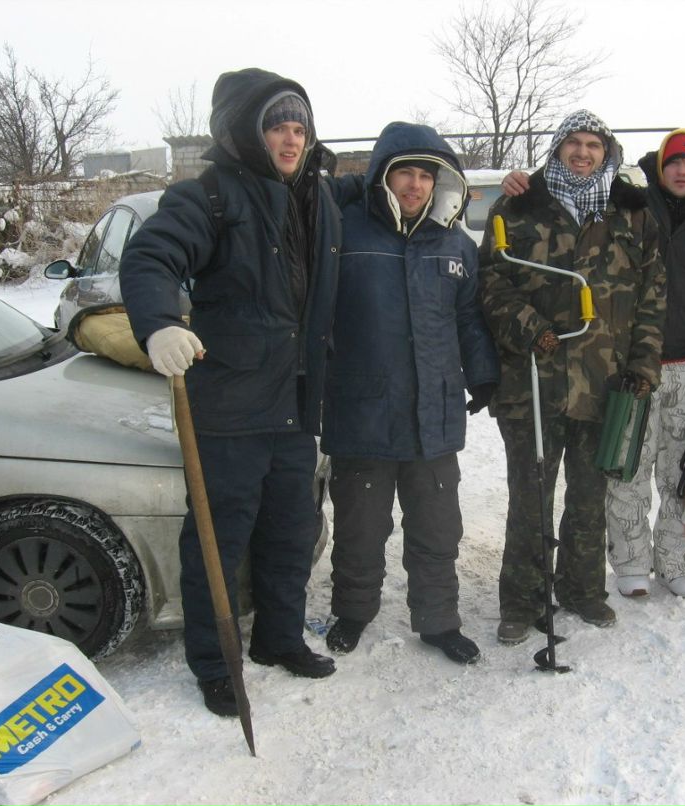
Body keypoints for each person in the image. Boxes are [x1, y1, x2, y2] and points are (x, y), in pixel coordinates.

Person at [120, 68, 347, 716]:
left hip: (294, 406)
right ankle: (215, 663)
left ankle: (278, 638)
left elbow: (389, 185)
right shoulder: (210, 196)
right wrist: (159, 323)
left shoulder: (319, 197)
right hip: (230, 408)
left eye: (300, 126)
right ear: (247, 132)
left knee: (291, 533)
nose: (291, 138)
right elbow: (151, 257)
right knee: (217, 545)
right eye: (277, 126)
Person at [479, 110, 667, 645]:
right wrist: (530, 327)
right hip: (533, 381)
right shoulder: (517, 206)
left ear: (607, 153)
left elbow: (653, 297)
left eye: (594, 145)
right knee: (530, 497)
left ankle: (582, 590)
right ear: (558, 147)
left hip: (606, 383)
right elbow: (490, 282)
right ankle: (522, 600)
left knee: (589, 497)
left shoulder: (632, 214)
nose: (583, 153)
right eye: (573, 143)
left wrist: (644, 366)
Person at [320, 122, 499, 665]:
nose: (416, 184)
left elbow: (468, 319)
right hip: (362, 412)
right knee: (360, 528)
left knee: (437, 530)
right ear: (383, 177)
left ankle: (440, 622)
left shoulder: (455, 243)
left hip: (433, 415)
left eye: (426, 175)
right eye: (405, 173)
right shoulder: (346, 231)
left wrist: (483, 374)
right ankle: (353, 612)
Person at [604, 129, 685, 599]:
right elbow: (581, 179)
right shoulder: (634, 207)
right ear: (660, 167)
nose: (682, 171)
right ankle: (631, 561)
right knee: (628, 468)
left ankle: (677, 561)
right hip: (634, 364)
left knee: (681, 472)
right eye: (674, 162)